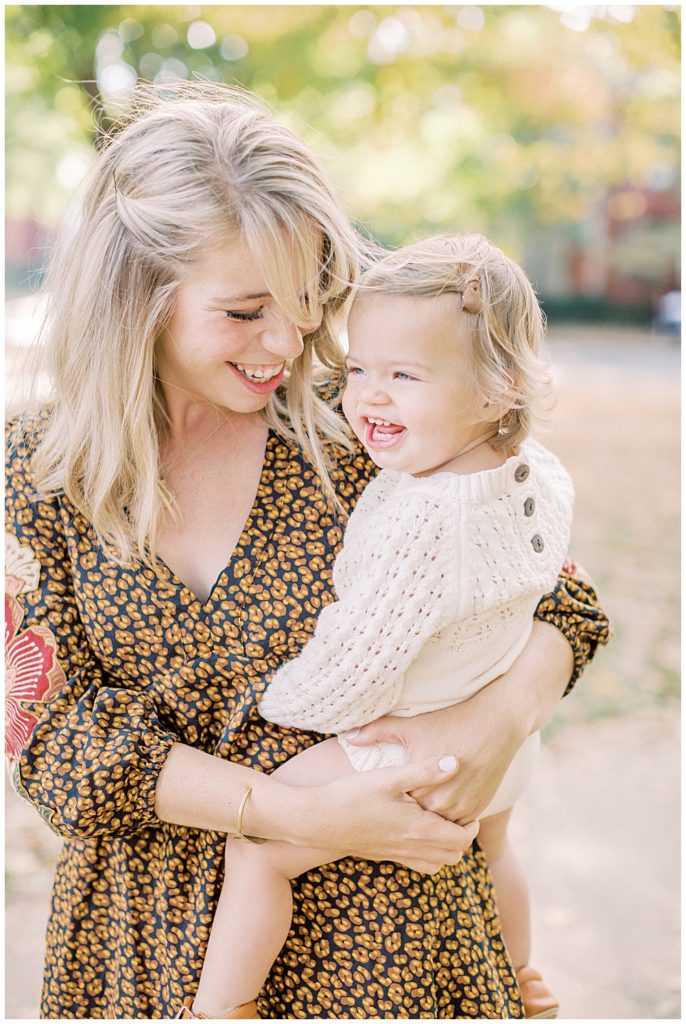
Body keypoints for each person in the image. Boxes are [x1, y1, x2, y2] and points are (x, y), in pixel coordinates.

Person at [5, 82, 609, 1020]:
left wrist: (494, 725)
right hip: (140, 948)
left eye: (305, 299)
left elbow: (559, 597)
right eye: (244, 312)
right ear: (138, 297)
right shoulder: (36, 472)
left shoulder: (369, 429)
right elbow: (49, 735)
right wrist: (288, 814)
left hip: (391, 945)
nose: (287, 342)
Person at [187, 233, 571, 1021]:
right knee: (497, 847)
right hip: (505, 753)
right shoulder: (536, 471)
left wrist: (280, 704)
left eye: (404, 376)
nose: (366, 397)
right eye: (358, 368)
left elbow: (357, 665)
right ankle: (524, 974)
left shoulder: (423, 520)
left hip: (412, 749)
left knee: (257, 854)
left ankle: (225, 1005)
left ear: (499, 385)